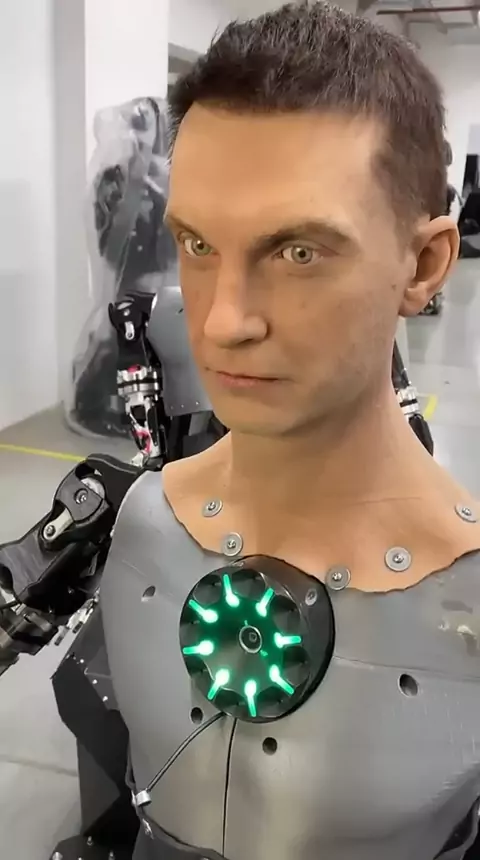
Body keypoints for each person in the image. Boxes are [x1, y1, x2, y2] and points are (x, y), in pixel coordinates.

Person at [99, 3, 480, 859]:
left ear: (423, 265)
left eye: (298, 253)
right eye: (198, 245)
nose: (223, 322)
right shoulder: (141, 521)